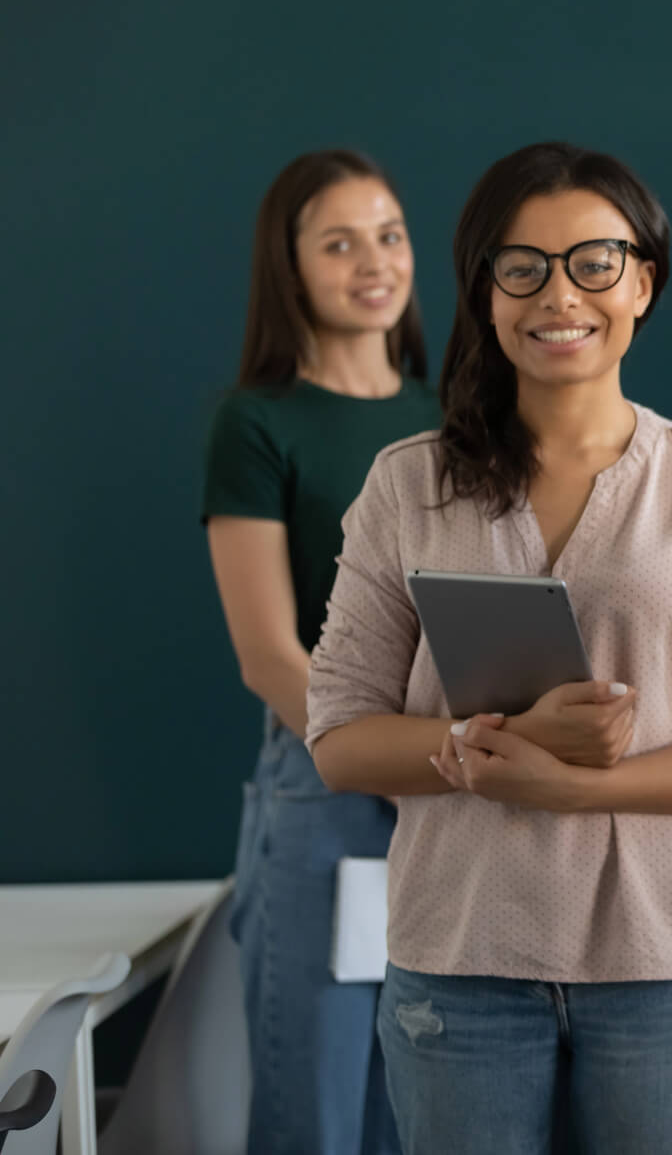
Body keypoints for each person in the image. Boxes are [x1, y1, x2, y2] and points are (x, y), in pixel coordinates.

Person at [305, 142, 672, 1155]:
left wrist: (580, 787)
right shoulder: (407, 486)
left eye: (593, 263)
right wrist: (500, 742)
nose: (557, 293)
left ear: (642, 280)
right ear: (483, 291)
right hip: (459, 964)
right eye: (520, 267)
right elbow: (341, 737)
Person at [202, 149, 434, 1155]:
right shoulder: (259, 422)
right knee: (319, 1115)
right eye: (337, 242)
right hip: (329, 789)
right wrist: (387, 762)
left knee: (417, 1113)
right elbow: (266, 653)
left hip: (447, 790)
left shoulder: (447, 415)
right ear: (288, 267)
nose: (372, 261)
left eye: (388, 233)